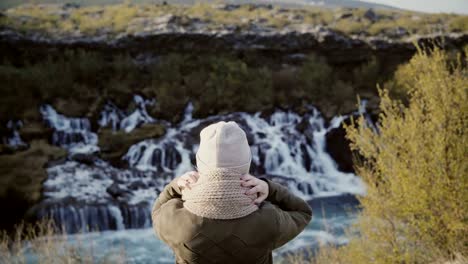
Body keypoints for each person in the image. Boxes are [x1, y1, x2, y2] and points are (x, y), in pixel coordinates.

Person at [152, 121, 312, 264]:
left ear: (200, 165)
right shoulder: (268, 220)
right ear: (246, 164)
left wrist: (176, 186)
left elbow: (157, 212)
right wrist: (269, 188)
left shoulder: (175, 221)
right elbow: (303, 212)